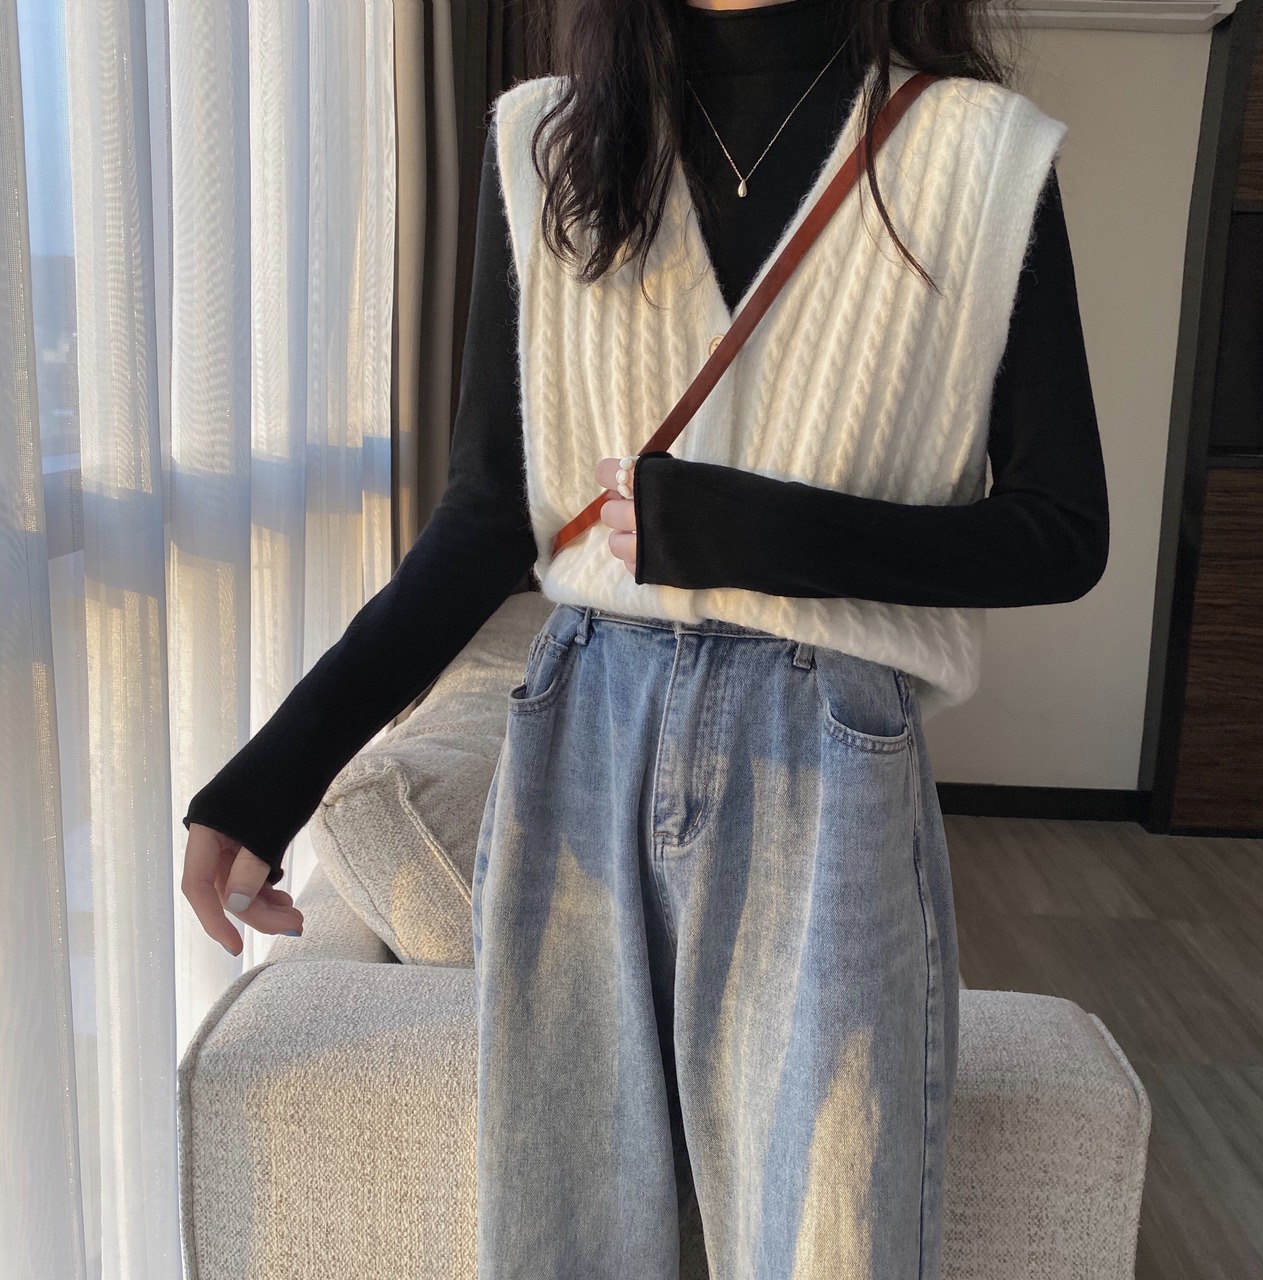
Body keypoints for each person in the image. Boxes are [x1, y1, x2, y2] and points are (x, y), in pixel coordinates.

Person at [182, 0, 1109, 1274]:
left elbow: (1063, 531)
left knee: (826, 1237)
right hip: (579, 736)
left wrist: (775, 534)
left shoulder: (977, 154)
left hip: (826, 755)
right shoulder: (549, 147)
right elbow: (485, 518)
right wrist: (272, 775)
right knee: (565, 1233)